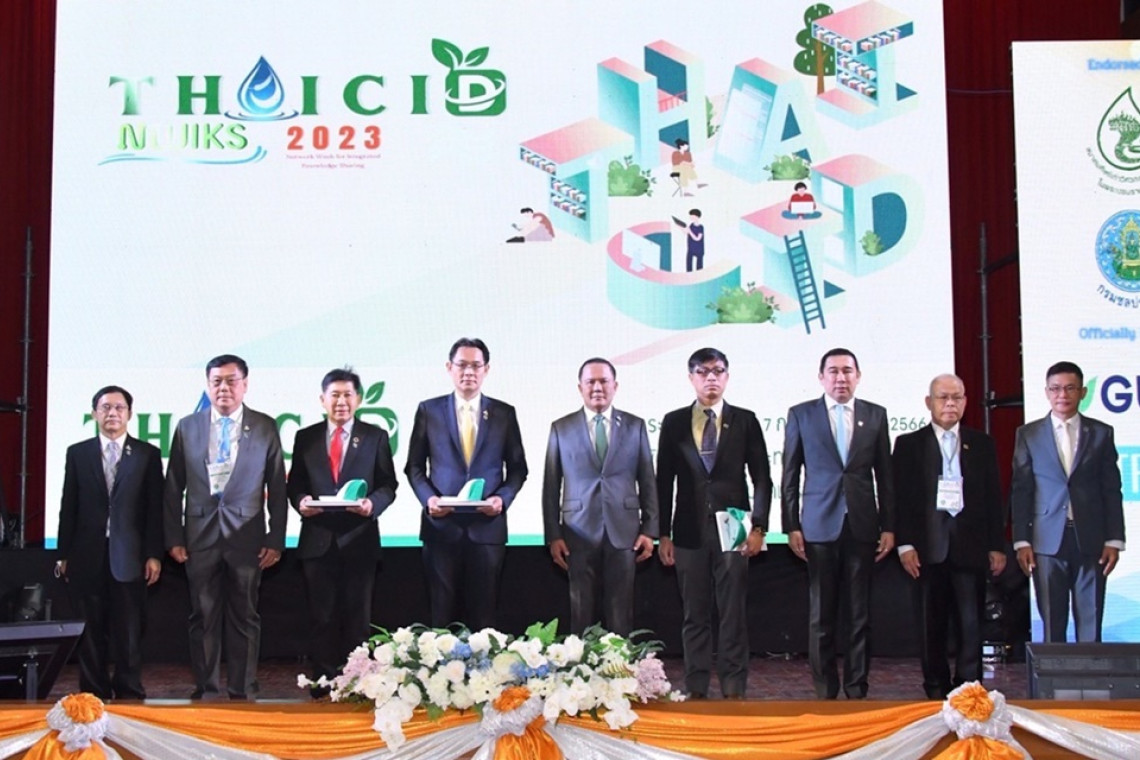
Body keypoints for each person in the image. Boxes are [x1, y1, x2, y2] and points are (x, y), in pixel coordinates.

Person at [164, 354, 287, 700]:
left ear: (245, 385)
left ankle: (242, 688)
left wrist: (276, 538)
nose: (224, 388)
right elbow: (172, 487)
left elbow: (277, 486)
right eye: (216, 381)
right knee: (202, 615)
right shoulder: (187, 427)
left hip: (248, 538)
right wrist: (173, 537)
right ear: (207, 385)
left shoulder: (264, 426)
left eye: (231, 381)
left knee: (245, 615)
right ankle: (206, 687)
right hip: (199, 537)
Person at [656, 348, 770, 699]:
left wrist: (759, 527)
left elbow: (762, 478)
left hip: (734, 526)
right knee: (695, 613)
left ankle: (734, 687)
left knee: (732, 611)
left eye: (718, 371)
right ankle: (697, 686)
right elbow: (663, 481)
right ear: (691, 378)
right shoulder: (674, 421)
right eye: (703, 371)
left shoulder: (745, 420)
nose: (711, 378)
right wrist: (662, 534)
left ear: (727, 377)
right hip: (688, 530)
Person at [782, 347, 895, 699]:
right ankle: (825, 688)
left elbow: (885, 476)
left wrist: (889, 526)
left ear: (858, 376)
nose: (840, 378)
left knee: (860, 613)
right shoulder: (802, 414)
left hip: (862, 525)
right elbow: (790, 475)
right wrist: (791, 525)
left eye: (847, 371)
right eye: (833, 371)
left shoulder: (875, 415)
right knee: (822, 614)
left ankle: (857, 686)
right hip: (818, 526)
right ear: (821, 377)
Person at [891, 374, 1006, 699]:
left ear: (966, 402)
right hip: (927, 548)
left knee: (971, 623)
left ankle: (969, 688)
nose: (950, 404)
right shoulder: (909, 444)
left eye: (957, 397)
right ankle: (935, 688)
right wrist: (905, 544)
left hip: (970, 546)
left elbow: (993, 497)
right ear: (929, 402)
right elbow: (900, 498)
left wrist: (997, 545)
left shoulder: (981, 443)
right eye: (943, 397)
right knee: (931, 624)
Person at [287, 367, 398, 692]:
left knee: (357, 619)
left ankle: (358, 683)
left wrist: (372, 504)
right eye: (334, 395)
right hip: (317, 540)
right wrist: (301, 501)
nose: (341, 401)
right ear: (322, 399)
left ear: (359, 399)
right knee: (321, 617)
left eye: (347, 395)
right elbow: (295, 484)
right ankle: (324, 681)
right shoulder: (305, 437)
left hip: (359, 540)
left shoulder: (375, 436)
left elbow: (388, 484)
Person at [405, 338, 528, 630]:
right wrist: (429, 500)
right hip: (441, 528)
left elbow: (518, 469)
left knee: (484, 616)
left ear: (486, 369)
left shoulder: (504, 413)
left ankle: (484, 663)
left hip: (487, 529)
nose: (468, 372)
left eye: (476, 365)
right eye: (462, 365)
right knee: (441, 616)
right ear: (449, 368)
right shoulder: (429, 410)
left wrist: (501, 499)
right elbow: (414, 467)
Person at [57, 385, 163, 699]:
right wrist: (63, 554)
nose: (112, 413)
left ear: (129, 414)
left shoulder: (146, 454)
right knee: (90, 629)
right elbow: (69, 506)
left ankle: (129, 689)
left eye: (119, 408)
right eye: (105, 408)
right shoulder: (78, 453)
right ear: (94, 414)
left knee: (129, 629)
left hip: (130, 556)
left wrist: (154, 554)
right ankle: (93, 690)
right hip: (86, 553)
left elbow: (154, 509)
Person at [1012, 361, 1126, 642]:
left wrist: (1114, 539)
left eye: (1070, 388)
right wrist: (1022, 541)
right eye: (1055, 389)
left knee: (1091, 622)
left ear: (1083, 392)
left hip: (1091, 540)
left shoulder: (1101, 433)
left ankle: (1091, 673)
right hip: (1046, 541)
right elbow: (1021, 490)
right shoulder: (1028, 434)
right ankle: (1054, 674)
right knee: (1052, 625)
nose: (1062, 394)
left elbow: (1111, 489)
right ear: (1047, 392)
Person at [542, 358, 657, 636]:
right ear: (579, 387)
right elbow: (551, 486)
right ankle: (580, 664)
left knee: (621, 613)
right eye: (590, 382)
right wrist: (553, 535)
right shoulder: (561, 428)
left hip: (625, 532)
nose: (597, 387)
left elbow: (647, 480)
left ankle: (621, 663)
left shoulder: (635, 425)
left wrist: (650, 529)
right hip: (577, 532)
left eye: (603, 381)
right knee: (581, 612)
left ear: (615, 386)